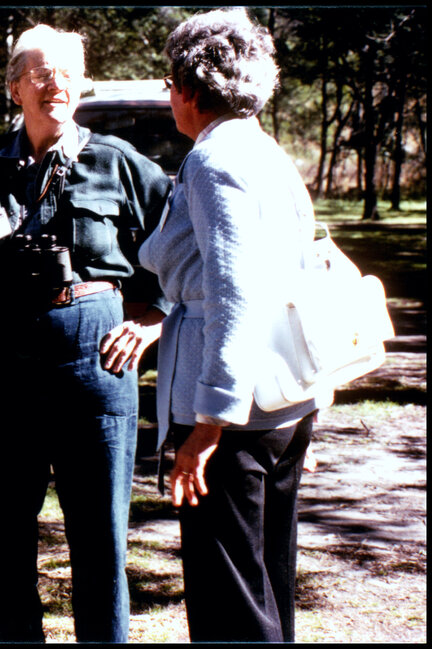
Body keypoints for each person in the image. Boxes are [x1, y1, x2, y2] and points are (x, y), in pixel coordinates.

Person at [0, 24, 172, 643]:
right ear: (15, 87)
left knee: (99, 540)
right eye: (42, 73)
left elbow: (186, 244)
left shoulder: (118, 162)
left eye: (68, 72)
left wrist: (153, 318)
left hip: (94, 365)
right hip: (3, 369)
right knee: (7, 540)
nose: (57, 84)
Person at [137, 8, 320, 642]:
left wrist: (208, 425)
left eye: (168, 83)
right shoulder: (265, 150)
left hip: (232, 409)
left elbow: (232, 292)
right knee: (265, 580)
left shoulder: (215, 160)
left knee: (231, 602)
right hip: (282, 393)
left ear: (188, 88)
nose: (169, 96)